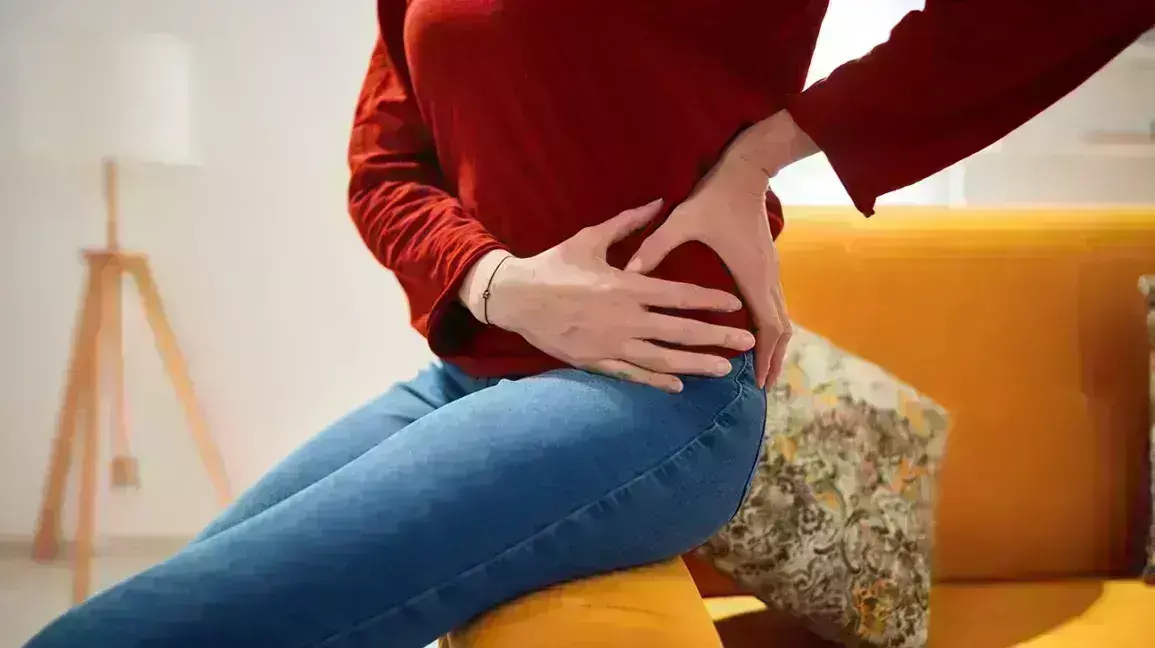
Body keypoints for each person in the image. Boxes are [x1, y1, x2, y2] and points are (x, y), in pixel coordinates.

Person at [26, 1, 1153, 647]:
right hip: (469, 376)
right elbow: (384, 167)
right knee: (173, 599)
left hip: (658, 399)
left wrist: (775, 147)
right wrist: (498, 283)